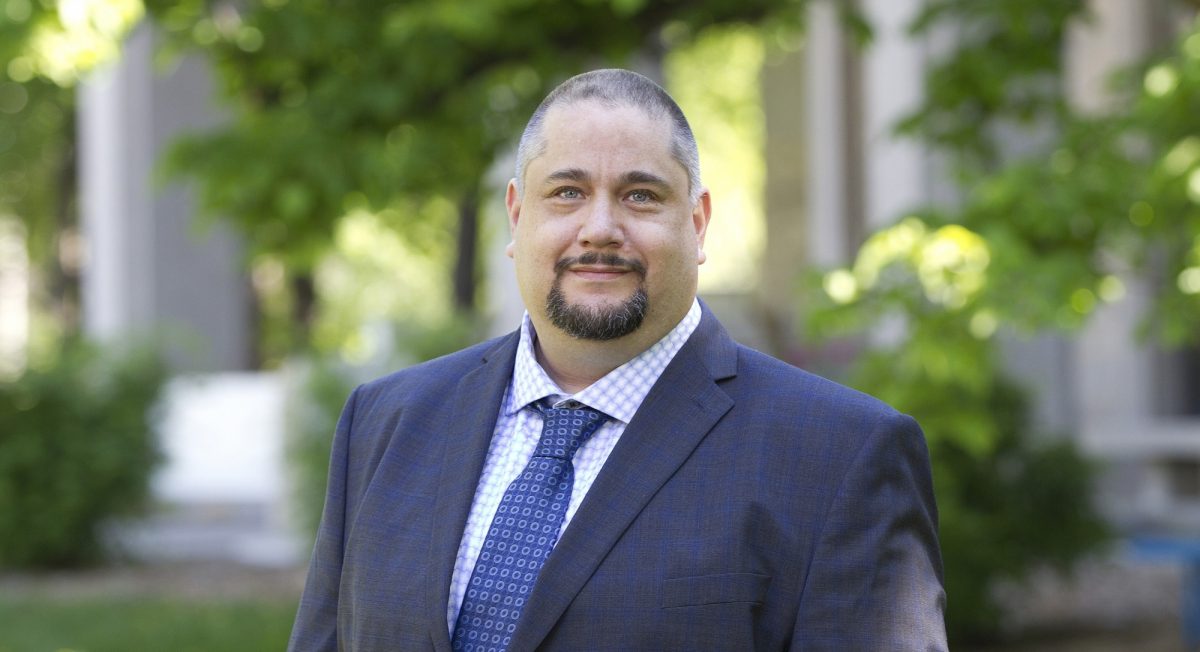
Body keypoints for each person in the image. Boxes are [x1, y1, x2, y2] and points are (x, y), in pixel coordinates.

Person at [288, 68, 946, 652]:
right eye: (567, 192)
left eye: (640, 195)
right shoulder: (387, 422)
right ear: (517, 216)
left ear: (698, 223)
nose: (599, 227)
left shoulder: (841, 455)